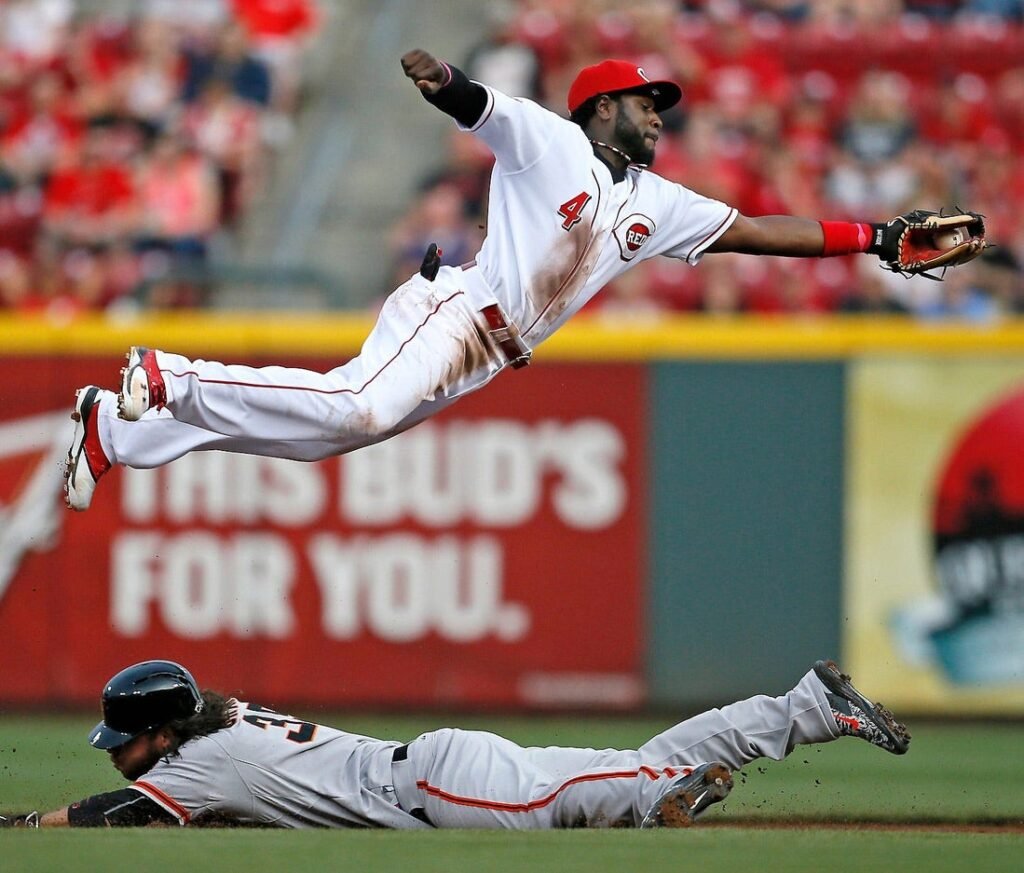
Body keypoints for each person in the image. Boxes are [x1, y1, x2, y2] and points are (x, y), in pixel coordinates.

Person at [65, 49, 918, 511]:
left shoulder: (657, 200)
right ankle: (168, 373)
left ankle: (122, 431)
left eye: (661, 101)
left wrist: (874, 237)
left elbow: (761, 232)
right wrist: (444, 84)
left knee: (331, 436)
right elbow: (483, 107)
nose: (658, 111)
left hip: (486, 353)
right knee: (357, 406)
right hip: (455, 309)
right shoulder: (553, 140)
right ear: (598, 107)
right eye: (642, 98)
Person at [0, 657, 909, 829]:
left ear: (159, 732)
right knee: (620, 764)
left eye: (122, 738)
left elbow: (116, 812)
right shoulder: (221, 727)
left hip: (432, 789)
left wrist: (28, 826)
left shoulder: (195, 764)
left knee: (604, 796)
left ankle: (671, 793)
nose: (113, 751)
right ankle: (807, 708)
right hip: (436, 768)